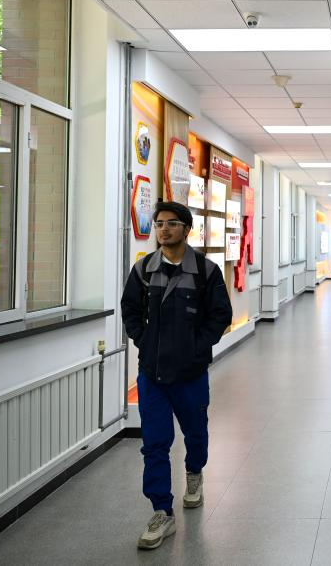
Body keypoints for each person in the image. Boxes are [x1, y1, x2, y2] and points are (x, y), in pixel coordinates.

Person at [120, 201, 233, 549]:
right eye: (159, 224)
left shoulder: (205, 271)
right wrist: (143, 339)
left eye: (171, 223)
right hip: (152, 373)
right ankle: (162, 511)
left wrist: (197, 347)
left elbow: (220, 314)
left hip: (190, 373)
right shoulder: (143, 269)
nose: (163, 229)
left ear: (186, 228)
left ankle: (194, 472)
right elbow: (129, 310)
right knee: (155, 443)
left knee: (195, 433)